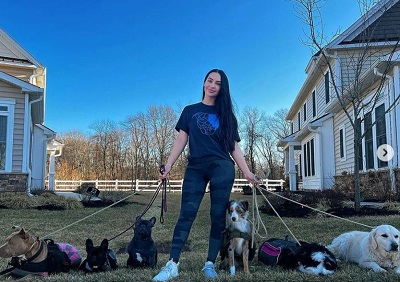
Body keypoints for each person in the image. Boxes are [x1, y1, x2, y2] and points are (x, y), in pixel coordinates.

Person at [152, 69, 259, 281]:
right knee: (186, 214)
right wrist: (169, 164)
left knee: (217, 216)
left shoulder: (227, 116)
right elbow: (181, 140)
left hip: (222, 168)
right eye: (209, 81)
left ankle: (209, 263)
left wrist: (247, 172)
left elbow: (234, 146)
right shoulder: (190, 111)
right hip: (195, 168)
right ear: (203, 83)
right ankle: (172, 264)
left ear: (222, 88)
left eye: (218, 83)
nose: (212, 85)